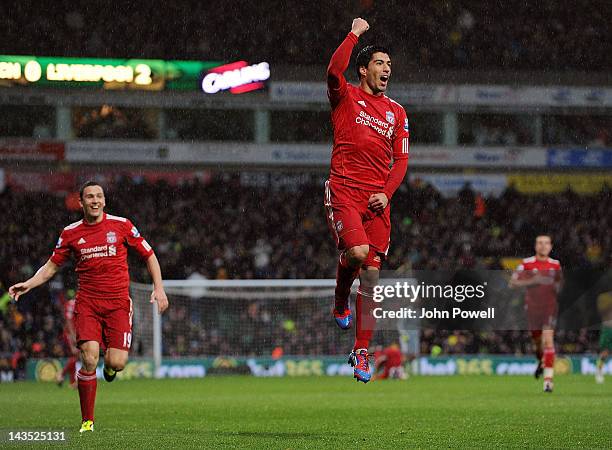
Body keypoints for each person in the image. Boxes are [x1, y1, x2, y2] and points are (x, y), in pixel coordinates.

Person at [9, 181, 169, 433]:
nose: (95, 200)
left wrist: (158, 287)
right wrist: (29, 284)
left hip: (117, 304)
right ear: (80, 202)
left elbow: (149, 254)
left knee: (116, 363)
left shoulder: (122, 225)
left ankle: (111, 370)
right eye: (89, 197)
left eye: (99, 196)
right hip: (88, 305)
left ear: (104, 201)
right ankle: (87, 421)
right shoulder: (70, 233)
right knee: (89, 358)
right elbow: (51, 266)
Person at [324, 17, 410, 383]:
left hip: (377, 199)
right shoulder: (346, 95)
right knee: (357, 255)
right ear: (363, 69)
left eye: (389, 64)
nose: (386, 68)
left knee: (373, 276)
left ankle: (361, 351)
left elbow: (402, 159)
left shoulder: (397, 112)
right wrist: (354, 33)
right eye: (379, 63)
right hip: (344, 187)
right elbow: (332, 69)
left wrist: (386, 193)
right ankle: (341, 299)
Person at [509, 235, 562, 392]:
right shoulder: (526, 264)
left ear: (551, 247)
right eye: (540, 243)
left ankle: (548, 381)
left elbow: (560, 285)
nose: (543, 246)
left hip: (549, 308)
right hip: (532, 309)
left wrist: (558, 288)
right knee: (538, 344)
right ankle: (541, 361)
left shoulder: (555, 265)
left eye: (546, 243)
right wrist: (533, 281)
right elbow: (512, 283)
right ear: (535, 246)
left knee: (548, 340)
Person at [595, 291, 612, 384]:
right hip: (608, 328)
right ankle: (599, 371)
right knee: (605, 352)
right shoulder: (603, 297)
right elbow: (602, 311)